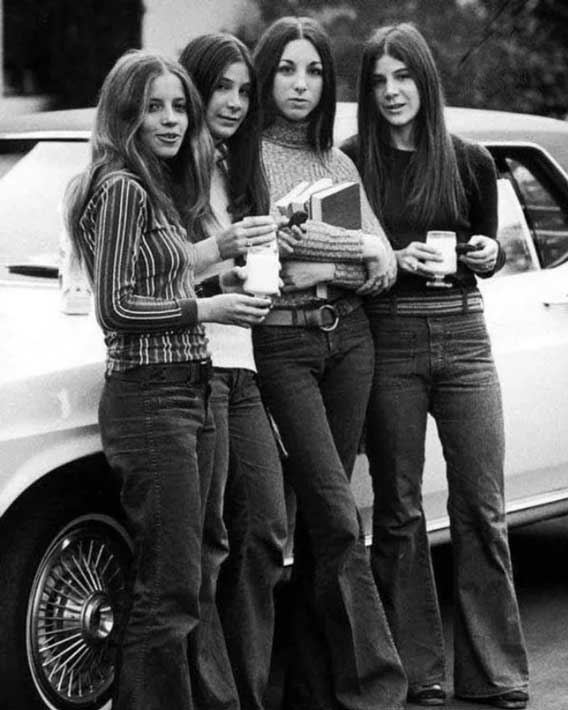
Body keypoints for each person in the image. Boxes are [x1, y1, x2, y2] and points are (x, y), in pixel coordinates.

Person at [64, 49, 272, 710]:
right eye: (153, 106)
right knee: (169, 588)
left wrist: (220, 264)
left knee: (186, 576)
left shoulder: (148, 183)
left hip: (187, 387)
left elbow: (161, 270)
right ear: (125, 112)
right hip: (152, 399)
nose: (172, 119)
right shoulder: (122, 184)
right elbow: (117, 306)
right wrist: (208, 305)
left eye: (179, 105)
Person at [340, 24, 528, 709]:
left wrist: (488, 255)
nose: (392, 92)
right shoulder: (350, 162)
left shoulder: (471, 160)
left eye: (404, 77)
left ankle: (497, 674)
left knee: (483, 504)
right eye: (380, 81)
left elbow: (491, 247)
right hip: (387, 337)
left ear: (426, 81)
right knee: (398, 510)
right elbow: (338, 263)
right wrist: (389, 260)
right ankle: (419, 673)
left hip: (464, 335)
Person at [249, 16, 407, 710]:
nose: (301, 84)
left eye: (313, 71)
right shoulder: (244, 156)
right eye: (287, 68)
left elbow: (383, 261)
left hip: (351, 344)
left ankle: (310, 695)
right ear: (266, 75)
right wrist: (344, 252)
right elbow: (268, 260)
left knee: (322, 525)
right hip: (282, 346)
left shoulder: (337, 162)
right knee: (340, 518)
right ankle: (376, 689)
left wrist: (332, 255)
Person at [179, 33, 289, 710]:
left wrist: (261, 270)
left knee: (267, 534)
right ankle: (215, 699)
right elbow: (151, 272)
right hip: (195, 366)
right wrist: (224, 258)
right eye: (221, 86)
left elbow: (250, 264)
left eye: (245, 90)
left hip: (244, 365)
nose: (235, 101)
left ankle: (245, 690)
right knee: (206, 548)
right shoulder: (169, 167)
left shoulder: (237, 169)